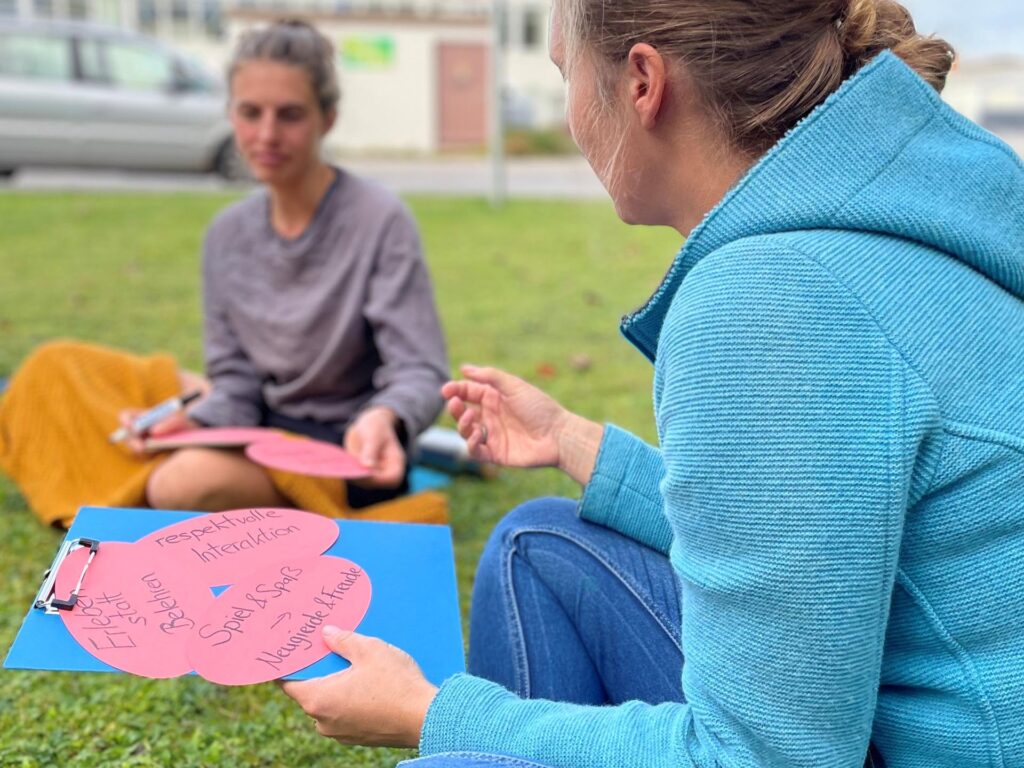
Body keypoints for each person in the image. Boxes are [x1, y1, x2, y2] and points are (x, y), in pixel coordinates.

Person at [281, 0, 1024, 766]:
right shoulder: (888, 219)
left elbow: (760, 757)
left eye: (566, 75)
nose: (571, 115)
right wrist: (574, 442)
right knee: (537, 544)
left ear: (642, 83)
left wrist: (433, 714)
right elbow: (815, 555)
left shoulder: (771, 298)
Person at [0, 20, 449, 526]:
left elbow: (419, 369)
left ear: (328, 118)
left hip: (348, 450)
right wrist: (192, 419)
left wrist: (384, 416)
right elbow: (234, 382)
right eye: (250, 113)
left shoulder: (379, 219)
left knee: (181, 483)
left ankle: (292, 505)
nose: (267, 135)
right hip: (255, 428)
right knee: (56, 365)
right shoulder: (227, 234)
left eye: (290, 115)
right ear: (230, 113)